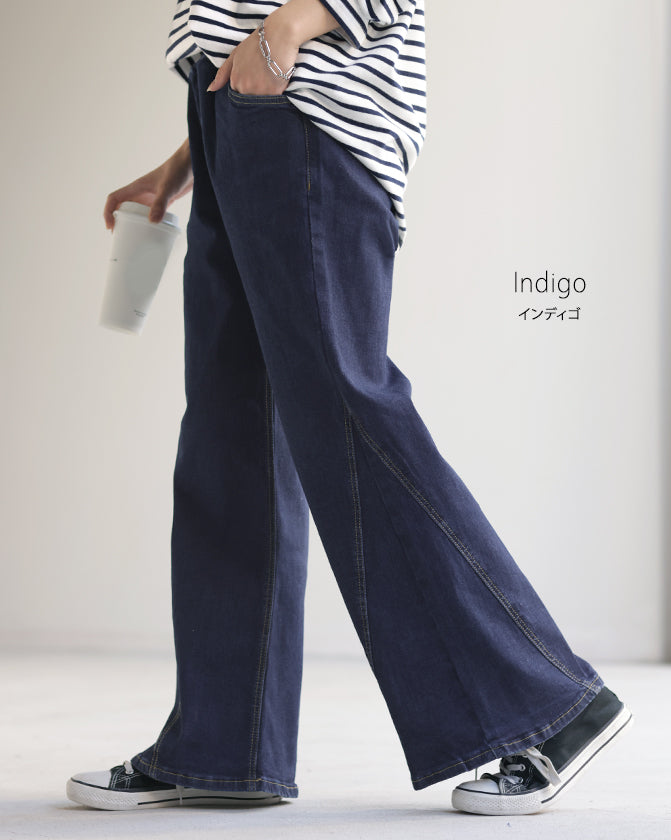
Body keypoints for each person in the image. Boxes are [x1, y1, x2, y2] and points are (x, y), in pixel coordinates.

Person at [66, 0, 632, 817]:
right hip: (239, 110)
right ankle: (225, 749)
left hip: (306, 112)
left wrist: (286, 32)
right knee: (230, 432)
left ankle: (550, 705)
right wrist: (191, 156)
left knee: (348, 414)